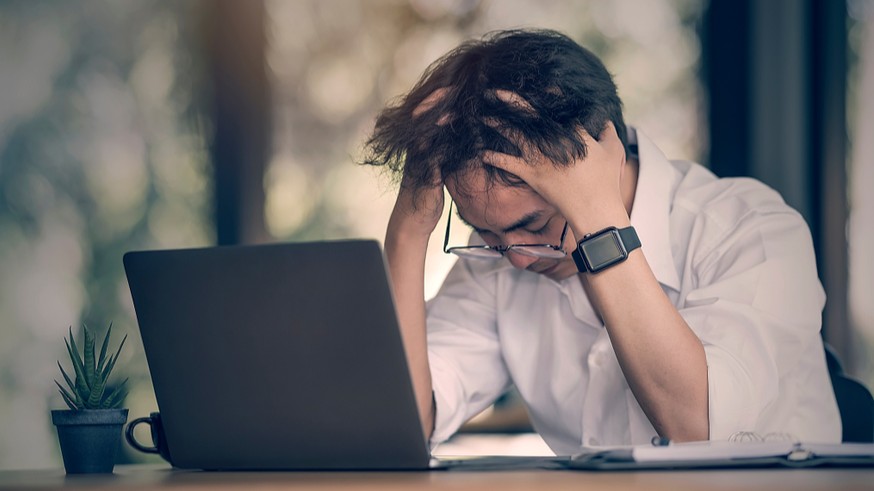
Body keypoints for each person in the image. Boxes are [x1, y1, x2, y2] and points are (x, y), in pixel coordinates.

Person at [363, 28, 840, 455]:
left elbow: (698, 431)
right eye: (486, 233)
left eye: (535, 225)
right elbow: (401, 427)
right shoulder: (498, 257)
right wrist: (408, 235)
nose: (518, 259)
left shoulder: (750, 228)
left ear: (603, 161)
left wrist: (597, 220)